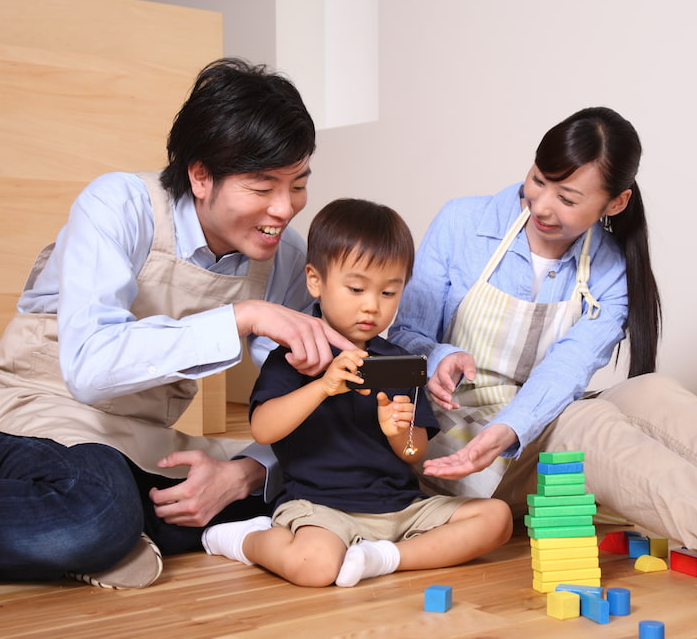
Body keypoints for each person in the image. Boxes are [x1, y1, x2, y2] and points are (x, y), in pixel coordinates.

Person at [0, 58, 352, 590]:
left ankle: (96, 532)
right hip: (36, 411)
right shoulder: (119, 205)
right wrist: (240, 316)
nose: (284, 209)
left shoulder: (285, 257)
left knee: (319, 490)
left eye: (297, 184)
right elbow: (90, 370)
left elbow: (306, 393)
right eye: (262, 187)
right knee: (96, 513)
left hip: (139, 438)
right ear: (201, 175)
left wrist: (243, 473)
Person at [388, 106, 697, 611]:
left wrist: (513, 426)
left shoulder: (609, 266)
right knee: (584, 419)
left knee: (654, 391)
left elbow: (566, 369)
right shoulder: (462, 223)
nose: (541, 204)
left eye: (568, 198)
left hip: (524, 426)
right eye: (538, 180)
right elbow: (402, 334)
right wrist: (441, 355)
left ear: (616, 202)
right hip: (455, 441)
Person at [202, 198, 512, 587]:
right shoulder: (297, 355)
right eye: (356, 288)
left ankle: (383, 558)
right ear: (315, 281)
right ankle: (246, 539)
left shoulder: (400, 362)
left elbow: (413, 454)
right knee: (314, 568)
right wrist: (321, 387)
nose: (371, 307)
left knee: (496, 519)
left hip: (400, 508)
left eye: (388, 293)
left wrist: (398, 431)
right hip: (321, 508)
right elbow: (263, 430)